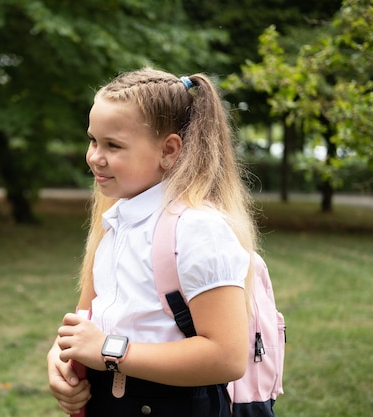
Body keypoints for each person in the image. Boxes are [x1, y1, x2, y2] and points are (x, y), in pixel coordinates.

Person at [47, 67, 259, 417]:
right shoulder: (116, 222)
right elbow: (84, 320)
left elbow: (227, 356)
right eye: (93, 140)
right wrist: (58, 361)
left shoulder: (197, 229)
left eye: (113, 145)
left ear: (169, 150)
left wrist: (107, 350)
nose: (95, 157)